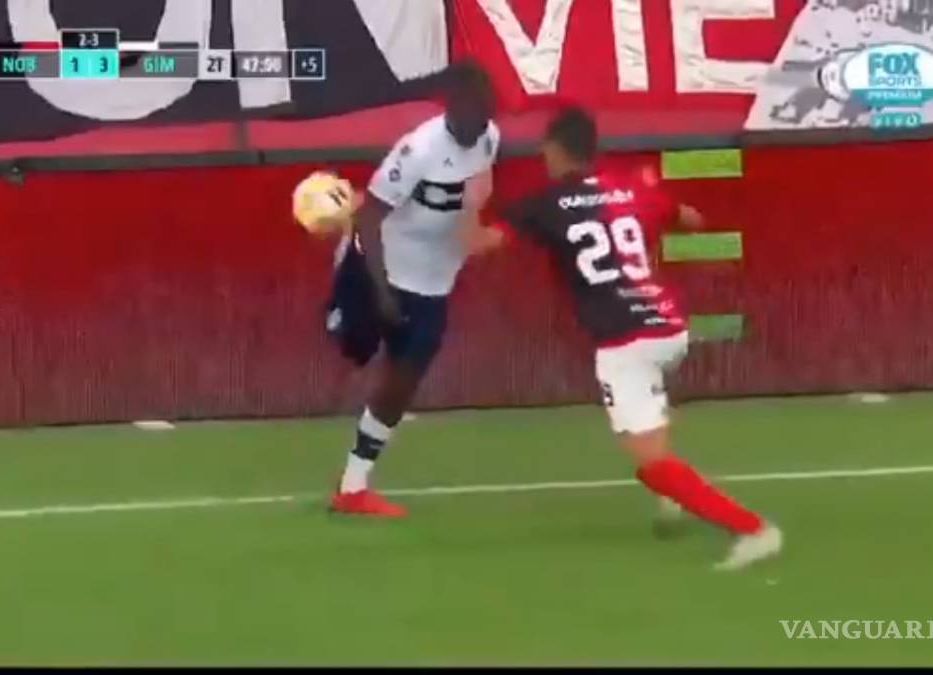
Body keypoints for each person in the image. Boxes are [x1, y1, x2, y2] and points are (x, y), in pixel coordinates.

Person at [466, 106, 782, 570]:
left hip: (625, 343)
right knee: (649, 417)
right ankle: (675, 497)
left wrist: (467, 199)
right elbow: (691, 218)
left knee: (648, 463)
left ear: (554, 149)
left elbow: (477, 244)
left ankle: (753, 529)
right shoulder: (631, 189)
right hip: (670, 328)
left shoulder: (545, 203)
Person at [324, 60, 500, 517]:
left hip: (434, 282)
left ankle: (353, 485)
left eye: (486, 114)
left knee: (404, 379)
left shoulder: (489, 138)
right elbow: (370, 216)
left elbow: (478, 188)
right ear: (450, 107)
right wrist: (382, 292)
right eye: (472, 114)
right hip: (385, 271)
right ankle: (342, 290)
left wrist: (471, 230)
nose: (479, 125)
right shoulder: (417, 150)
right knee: (351, 347)